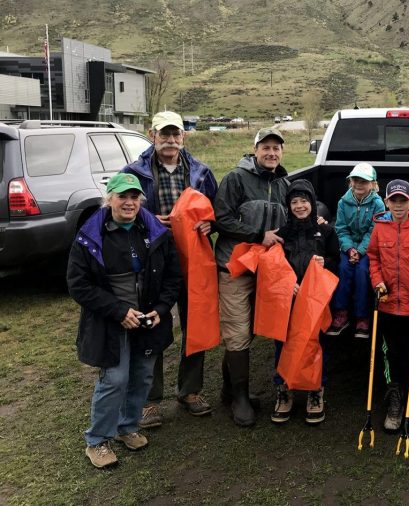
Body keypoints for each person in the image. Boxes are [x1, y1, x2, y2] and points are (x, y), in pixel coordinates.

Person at [67, 172, 182, 469]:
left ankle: (127, 427)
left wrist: (161, 308)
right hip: (111, 321)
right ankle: (97, 441)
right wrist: (118, 312)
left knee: (143, 375)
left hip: (148, 320)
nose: (129, 202)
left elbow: (173, 275)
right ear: (110, 200)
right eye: (122, 196)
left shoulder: (156, 231)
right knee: (115, 379)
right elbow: (78, 284)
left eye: (134, 197)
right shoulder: (90, 236)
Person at [120, 110, 218, 428]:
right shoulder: (134, 172)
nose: (171, 140)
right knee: (152, 322)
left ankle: (190, 391)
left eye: (176, 134)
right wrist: (147, 220)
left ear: (183, 137)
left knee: (196, 322)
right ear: (153, 135)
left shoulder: (201, 172)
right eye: (165, 134)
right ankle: (149, 399)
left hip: (194, 258)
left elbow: (216, 210)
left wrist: (211, 223)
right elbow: (119, 210)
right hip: (152, 259)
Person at [213, 128, 290, 427]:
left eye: (276, 148)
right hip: (234, 267)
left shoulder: (284, 183)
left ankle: (228, 390)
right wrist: (258, 235)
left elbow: (291, 219)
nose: (271, 153)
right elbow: (222, 219)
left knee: (249, 331)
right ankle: (240, 398)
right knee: (237, 330)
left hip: (265, 269)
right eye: (266, 147)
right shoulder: (236, 178)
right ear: (255, 150)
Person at [367, 179, 409, 434]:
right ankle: (394, 398)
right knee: (390, 354)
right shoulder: (379, 228)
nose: (398, 205)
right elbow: (373, 258)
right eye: (393, 200)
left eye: (403, 200)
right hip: (387, 306)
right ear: (386, 202)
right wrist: (377, 282)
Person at [271, 179, 339, 425]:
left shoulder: (326, 231)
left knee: (316, 343)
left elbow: (336, 261)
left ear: (312, 202)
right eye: (294, 202)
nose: (300, 206)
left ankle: (315, 391)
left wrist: (325, 263)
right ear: (288, 206)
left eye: (304, 201)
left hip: (315, 299)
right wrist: (286, 283)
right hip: (288, 298)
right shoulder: (281, 234)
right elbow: (272, 265)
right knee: (283, 342)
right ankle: (284, 390)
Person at [327, 163, 385, 339]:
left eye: (364, 181)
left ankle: (362, 316)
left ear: (373, 184)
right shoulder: (343, 202)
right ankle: (341, 313)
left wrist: (359, 251)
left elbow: (374, 231)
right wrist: (350, 248)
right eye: (356, 180)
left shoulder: (378, 204)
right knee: (343, 269)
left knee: (362, 272)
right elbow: (341, 228)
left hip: (368, 249)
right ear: (350, 182)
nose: (359, 184)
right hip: (348, 247)